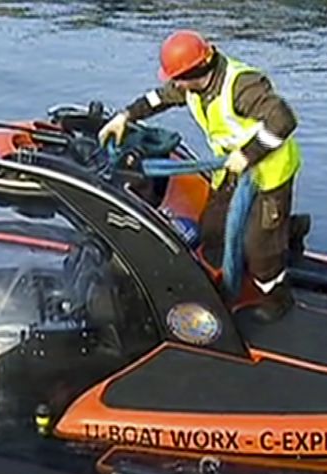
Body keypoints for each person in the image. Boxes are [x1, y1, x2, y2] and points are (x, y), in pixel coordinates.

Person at [99, 29, 302, 323]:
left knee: (260, 250)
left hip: (268, 174)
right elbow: (159, 98)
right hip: (231, 170)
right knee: (213, 232)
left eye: (177, 78)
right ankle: (289, 228)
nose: (174, 84)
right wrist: (125, 116)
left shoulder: (242, 87)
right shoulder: (190, 86)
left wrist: (248, 154)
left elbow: (284, 119)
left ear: (196, 71)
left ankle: (277, 294)